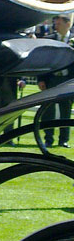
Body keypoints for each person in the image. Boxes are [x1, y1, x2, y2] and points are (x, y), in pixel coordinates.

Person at [38, 14, 74, 147]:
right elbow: (42, 61)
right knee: (48, 111)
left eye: (58, 23)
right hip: (52, 79)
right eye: (55, 23)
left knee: (65, 112)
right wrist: (41, 79)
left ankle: (63, 140)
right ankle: (48, 139)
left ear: (67, 24)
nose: (55, 26)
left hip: (68, 81)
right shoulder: (49, 39)